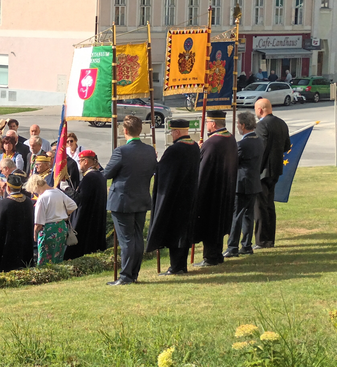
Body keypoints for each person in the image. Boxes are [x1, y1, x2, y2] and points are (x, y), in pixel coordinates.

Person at [100, 116, 157, 285]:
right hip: (141, 197)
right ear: (140, 129)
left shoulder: (121, 151)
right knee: (137, 238)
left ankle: (126, 276)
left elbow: (107, 173)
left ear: (124, 130)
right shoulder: (149, 150)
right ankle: (133, 273)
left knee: (126, 240)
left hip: (122, 200)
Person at [145, 119, 200, 275]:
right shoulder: (195, 146)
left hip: (176, 197)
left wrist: (155, 162)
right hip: (190, 194)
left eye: (172, 132)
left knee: (175, 233)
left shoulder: (174, 150)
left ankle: (176, 266)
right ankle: (181, 265)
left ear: (176, 132)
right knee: (184, 232)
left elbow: (163, 171)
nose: (171, 134)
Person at [194, 111, 239, 267]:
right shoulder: (230, 138)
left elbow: (203, 169)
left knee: (210, 224)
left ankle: (211, 256)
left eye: (207, 122)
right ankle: (217, 254)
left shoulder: (212, 143)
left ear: (213, 124)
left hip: (212, 191)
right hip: (226, 188)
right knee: (219, 224)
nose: (207, 125)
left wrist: (199, 152)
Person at [254, 98, 291, 248]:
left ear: (260, 110)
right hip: (275, 169)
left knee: (260, 206)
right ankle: (270, 239)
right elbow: (287, 146)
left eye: (256, 110)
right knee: (269, 204)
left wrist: (256, 170)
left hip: (262, 171)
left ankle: (262, 240)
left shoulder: (262, 125)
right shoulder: (281, 123)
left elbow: (260, 150)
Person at [224, 111, 263, 258]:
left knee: (237, 216)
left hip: (242, 184)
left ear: (243, 125)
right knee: (248, 215)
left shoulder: (242, 144)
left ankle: (232, 247)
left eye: (238, 124)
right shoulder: (259, 141)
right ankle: (246, 245)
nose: (237, 126)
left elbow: (232, 163)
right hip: (253, 183)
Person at [65, 150, 110, 259]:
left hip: (86, 218)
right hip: (96, 215)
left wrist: (66, 188)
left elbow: (79, 199)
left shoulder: (89, 178)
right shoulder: (99, 175)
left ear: (85, 161)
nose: (79, 164)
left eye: (80, 161)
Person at [0, 171, 35, 271]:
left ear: (8, 188)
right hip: (24, 243)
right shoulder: (28, 201)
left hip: (8, 245)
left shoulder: (5, 203)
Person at [30, 172, 78, 266]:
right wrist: (64, 214)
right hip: (61, 228)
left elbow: (38, 223)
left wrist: (35, 234)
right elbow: (73, 205)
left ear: (36, 186)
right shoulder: (58, 191)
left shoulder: (42, 198)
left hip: (48, 230)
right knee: (58, 257)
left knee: (44, 259)